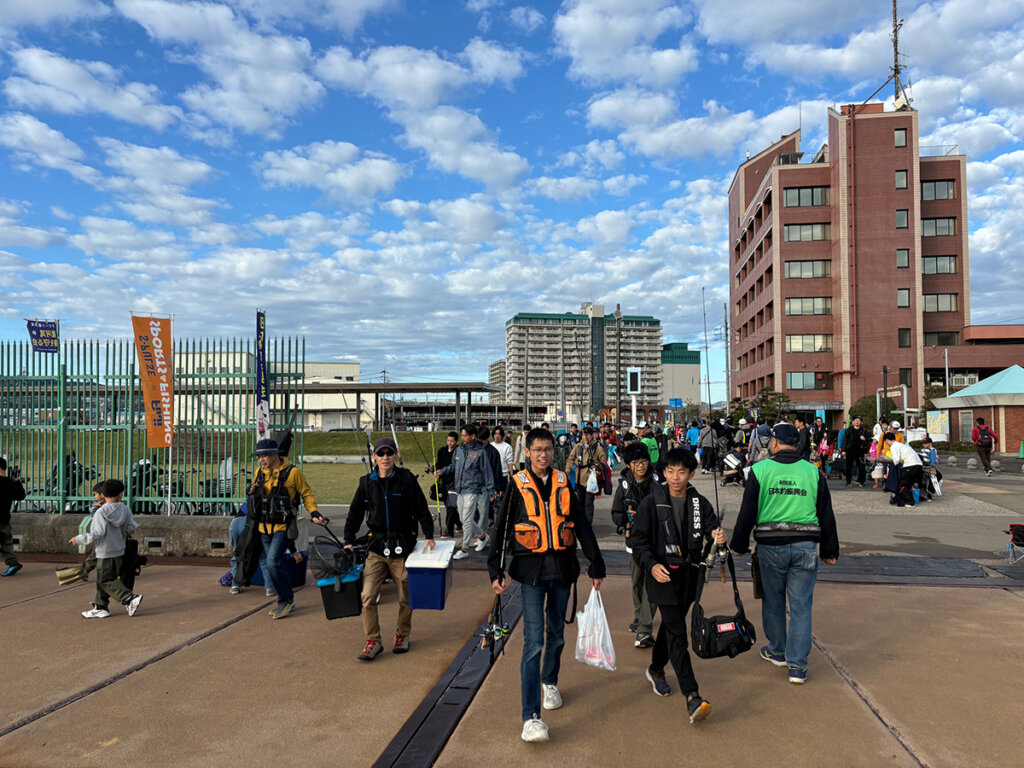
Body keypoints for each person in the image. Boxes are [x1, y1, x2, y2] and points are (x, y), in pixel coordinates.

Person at [487, 427, 606, 743]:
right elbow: (500, 531)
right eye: (537, 449)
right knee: (533, 641)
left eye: (548, 449)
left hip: (563, 571)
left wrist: (596, 562)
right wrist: (494, 570)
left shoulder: (564, 481)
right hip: (530, 574)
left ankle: (549, 681)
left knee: (556, 635)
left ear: (554, 451)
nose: (543, 455)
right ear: (527, 452)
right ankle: (531, 717)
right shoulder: (515, 485)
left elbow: (580, 523)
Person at [730, 424, 839, 684]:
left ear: (775, 443)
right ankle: (798, 667)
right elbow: (826, 514)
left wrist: (738, 544)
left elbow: (747, 513)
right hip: (805, 547)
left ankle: (777, 651)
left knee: (774, 601)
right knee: (801, 607)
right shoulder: (813, 473)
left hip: (770, 547)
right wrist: (830, 550)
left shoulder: (760, 470)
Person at [629, 447, 728, 722]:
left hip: (690, 577)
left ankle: (656, 668)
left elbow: (711, 527)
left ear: (691, 473)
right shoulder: (651, 503)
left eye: (681, 472)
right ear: (663, 472)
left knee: (671, 629)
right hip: (661, 576)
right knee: (678, 633)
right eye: (669, 471)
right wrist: (651, 564)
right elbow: (638, 542)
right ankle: (692, 695)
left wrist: (718, 535)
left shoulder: (700, 502)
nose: (675, 477)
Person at [343, 436, 436, 660]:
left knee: (405, 596)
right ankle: (372, 640)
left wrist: (429, 535)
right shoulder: (366, 483)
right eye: (381, 454)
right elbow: (355, 513)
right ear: (374, 457)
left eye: (389, 453)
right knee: (367, 596)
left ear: (396, 455)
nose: (385, 457)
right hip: (376, 548)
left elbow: (421, 507)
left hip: (402, 547)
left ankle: (402, 634)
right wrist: (348, 538)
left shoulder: (406, 480)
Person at [245, 438, 320, 619]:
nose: (261, 460)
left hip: (283, 526)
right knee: (272, 565)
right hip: (263, 528)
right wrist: (251, 490)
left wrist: (314, 511)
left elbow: (306, 493)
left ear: (274, 454)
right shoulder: (259, 472)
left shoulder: (293, 473)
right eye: (259, 456)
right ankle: (285, 597)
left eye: (264, 456)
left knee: (272, 561)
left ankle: (286, 600)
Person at [610, 442, 661, 649]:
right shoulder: (624, 486)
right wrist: (626, 518)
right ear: (629, 465)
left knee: (652, 582)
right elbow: (615, 514)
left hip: (656, 542)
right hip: (634, 543)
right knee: (637, 582)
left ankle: (644, 629)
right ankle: (640, 616)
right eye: (637, 462)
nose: (642, 466)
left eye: (644, 461)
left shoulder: (658, 483)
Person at [69, 479, 142, 618]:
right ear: (121, 494)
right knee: (107, 578)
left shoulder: (101, 512)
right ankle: (100, 606)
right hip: (119, 549)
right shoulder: (125, 509)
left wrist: (78, 539)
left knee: (105, 580)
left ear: (103, 495)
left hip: (105, 551)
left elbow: (97, 533)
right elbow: (131, 527)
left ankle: (128, 598)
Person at [437, 424, 495, 560]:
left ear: (473, 436)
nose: (462, 438)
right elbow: (453, 466)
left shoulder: (480, 453)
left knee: (468, 519)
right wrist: (442, 471)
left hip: (473, 489)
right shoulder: (458, 451)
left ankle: (465, 548)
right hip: (460, 489)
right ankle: (482, 536)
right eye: (461, 435)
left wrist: (491, 491)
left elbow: (487, 473)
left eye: (464, 435)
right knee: (463, 519)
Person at [565, 425, 606, 526]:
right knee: (580, 503)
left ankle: (588, 524)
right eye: (584, 435)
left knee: (588, 503)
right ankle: (581, 523)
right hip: (579, 479)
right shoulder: (578, 447)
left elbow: (604, 461)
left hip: (591, 480)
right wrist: (567, 471)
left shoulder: (597, 447)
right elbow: (570, 459)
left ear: (592, 436)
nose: (586, 437)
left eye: (588, 435)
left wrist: (597, 466)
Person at [227, 503, 272, 595]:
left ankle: (235, 585)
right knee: (263, 557)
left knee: (238, 555)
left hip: (236, 523)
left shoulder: (254, 493)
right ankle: (269, 587)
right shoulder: (270, 499)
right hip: (254, 525)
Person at [478, 424, 507, 551]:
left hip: (487, 486)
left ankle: (482, 536)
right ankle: (480, 534)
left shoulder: (493, 452)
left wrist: (498, 488)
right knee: (474, 512)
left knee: (484, 512)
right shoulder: (474, 449)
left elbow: (497, 471)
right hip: (474, 485)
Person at [1, 457, 26, 577]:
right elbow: (21, 496)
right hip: (4, 517)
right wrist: (16, 481)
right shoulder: (9, 483)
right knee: (6, 541)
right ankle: (12, 563)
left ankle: (12, 563)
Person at [883, 432, 923, 507]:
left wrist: (892, 463)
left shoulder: (893, 446)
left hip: (910, 465)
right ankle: (911, 500)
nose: (886, 443)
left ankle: (910, 502)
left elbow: (896, 460)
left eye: (886, 442)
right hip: (918, 465)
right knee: (908, 484)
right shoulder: (901, 445)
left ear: (887, 440)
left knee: (901, 485)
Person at [434, 431, 460, 538]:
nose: (450, 443)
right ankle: (459, 524)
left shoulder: (459, 451)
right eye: (448, 440)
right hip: (443, 482)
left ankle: (449, 530)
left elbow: (454, 466)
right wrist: (433, 468)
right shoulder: (442, 451)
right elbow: (439, 463)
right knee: (449, 505)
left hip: (454, 482)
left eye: (452, 441)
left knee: (450, 506)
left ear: (456, 441)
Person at [842, 415, 870, 487]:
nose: (857, 422)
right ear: (852, 422)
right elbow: (844, 440)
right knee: (848, 466)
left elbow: (870, 439)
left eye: (859, 420)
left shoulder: (863, 431)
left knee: (861, 467)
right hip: (850, 450)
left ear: (861, 422)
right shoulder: (848, 430)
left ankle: (861, 481)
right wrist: (843, 450)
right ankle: (848, 481)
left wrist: (864, 439)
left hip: (860, 451)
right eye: (855, 420)